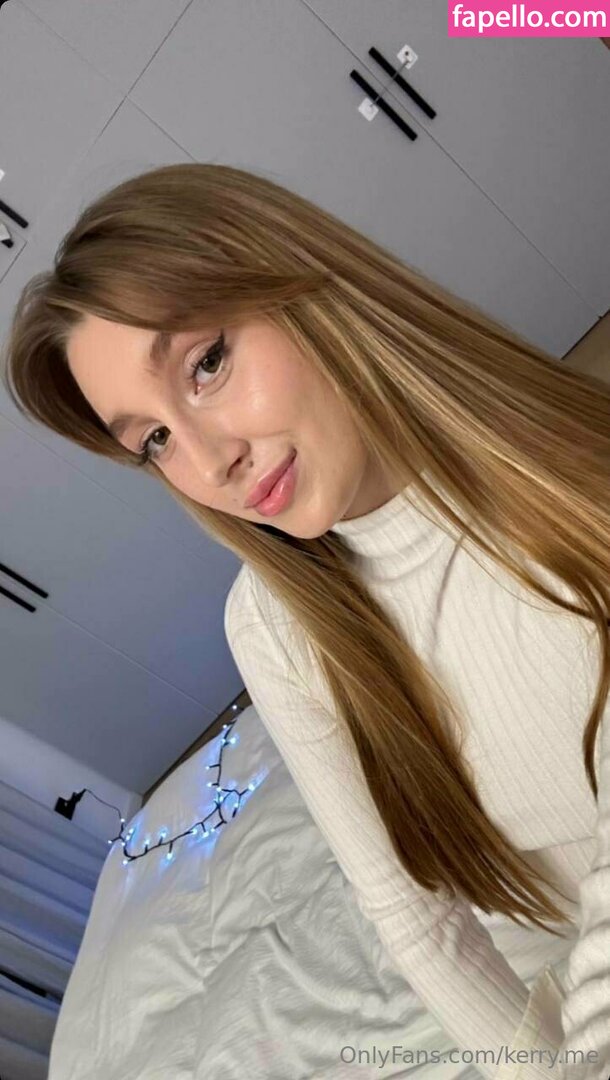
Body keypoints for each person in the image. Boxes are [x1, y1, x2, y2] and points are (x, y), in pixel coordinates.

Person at [2, 163, 608, 1079]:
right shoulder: (275, 629)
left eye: (207, 363)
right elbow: (413, 918)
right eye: (154, 440)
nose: (209, 461)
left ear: (304, 285)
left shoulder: (577, 492)